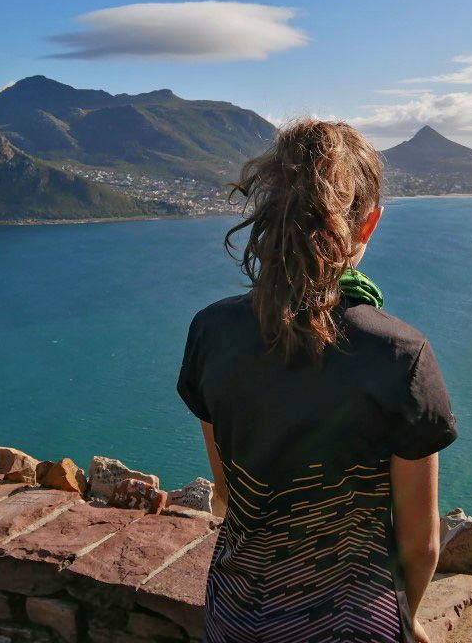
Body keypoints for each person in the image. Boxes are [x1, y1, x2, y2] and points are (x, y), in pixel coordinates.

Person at [177, 118, 457, 643]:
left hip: (235, 615)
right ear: (368, 223)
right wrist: (407, 619)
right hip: (353, 626)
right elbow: (421, 543)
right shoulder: (400, 354)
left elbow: (227, 495)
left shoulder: (211, 330)